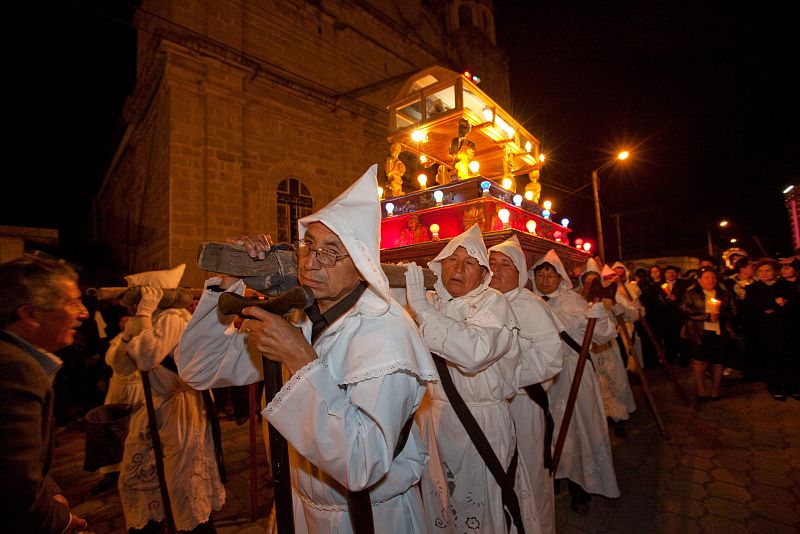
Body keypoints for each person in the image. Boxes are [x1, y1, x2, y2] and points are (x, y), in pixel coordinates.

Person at [178, 165, 436, 532]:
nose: (311, 261)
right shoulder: (298, 316)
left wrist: (299, 359)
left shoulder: (387, 333)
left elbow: (363, 462)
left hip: (373, 519)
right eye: (309, 245)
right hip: (303, 513)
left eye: (331, 252)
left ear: (362, 265)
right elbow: (197, 368)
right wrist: (227, 282)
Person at [405, 224, 539, 533]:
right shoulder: (432, 301)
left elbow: (474, 351)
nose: (459, 268)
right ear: (440, 265)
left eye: (469, 263)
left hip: (481, 423)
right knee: (440, 504)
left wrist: (423, 310)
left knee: (481, 506)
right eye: (452, 259)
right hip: (434, 423)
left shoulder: (493, 305)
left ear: (483, 274)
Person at [110, 263, 225, 533]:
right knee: (135, 479)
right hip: (156, 405)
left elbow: (146, 356)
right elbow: (121, 364)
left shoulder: (172, 316)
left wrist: (144, 313)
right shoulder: (150, 318)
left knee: (182, 483)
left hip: (179, 408)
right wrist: (139, 321)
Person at [1, 257, 89, 533]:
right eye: (71, 302)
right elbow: (15, 485)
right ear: (31, 314)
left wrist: (50, 491)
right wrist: (60, 520)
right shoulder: (14, 369)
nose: (83, 312)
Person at [529, 250, 620, 515]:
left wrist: (600, 316)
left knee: (578, 430)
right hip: (541, 376)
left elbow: (604, 336)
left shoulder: (575, 303)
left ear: (561, 278)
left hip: (573, 374)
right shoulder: (530, 302)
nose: (545, 280)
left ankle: (580, 487)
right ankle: (552, 479)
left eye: (551, 274)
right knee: (548, 431)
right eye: (540, 274)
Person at [488, 236, 563, 534]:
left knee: (527, 473)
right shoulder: (481, 302)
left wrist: (506, 376)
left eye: (505, 265)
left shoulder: (531, 306)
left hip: (521, 404)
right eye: (491, 263)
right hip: (491, 407)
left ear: (520, 271)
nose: (496, 270)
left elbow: (551, 359)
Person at [741, 258, 798, 400]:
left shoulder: (786, 286)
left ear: (775, 272)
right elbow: (750, 308)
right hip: (765, 330)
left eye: (767, 270)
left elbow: (793, 305)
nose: (764, 274)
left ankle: (793, 386)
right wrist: (774, 304)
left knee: (790, 358)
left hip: (786, 328)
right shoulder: (753, 288)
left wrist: (776, 308)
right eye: (760, 271)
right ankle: (775, 387)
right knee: (771, 359)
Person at [679, 267, 737, 401]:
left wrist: (720, 315)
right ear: (699, 280)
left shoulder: (724, 294)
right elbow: (684, 309)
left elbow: (733, 311)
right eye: (707, 277)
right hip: (699, 332)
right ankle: (701, 390)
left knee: (718, 361)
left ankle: (715, 390)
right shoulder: (692, 294)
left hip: (719, 332)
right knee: (700, 361)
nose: (711, 280)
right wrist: (705, 316)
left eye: (713, 277)